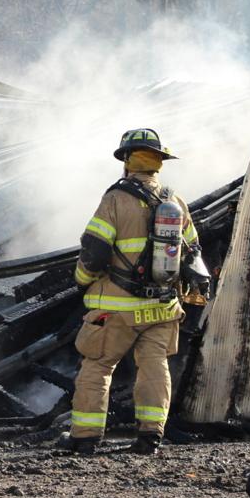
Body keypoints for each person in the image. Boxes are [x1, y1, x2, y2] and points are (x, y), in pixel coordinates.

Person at [62, 128, 207, 456]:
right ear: (159, 163)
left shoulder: (115, 198)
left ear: (127, 161)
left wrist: (82, 279)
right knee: (154, 365)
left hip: (116, 307)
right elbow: (194, 251)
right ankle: (149, 437)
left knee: (98, 366)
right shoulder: (175, 200)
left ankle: (85, 439)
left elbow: (94, 252)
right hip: (163, 306)